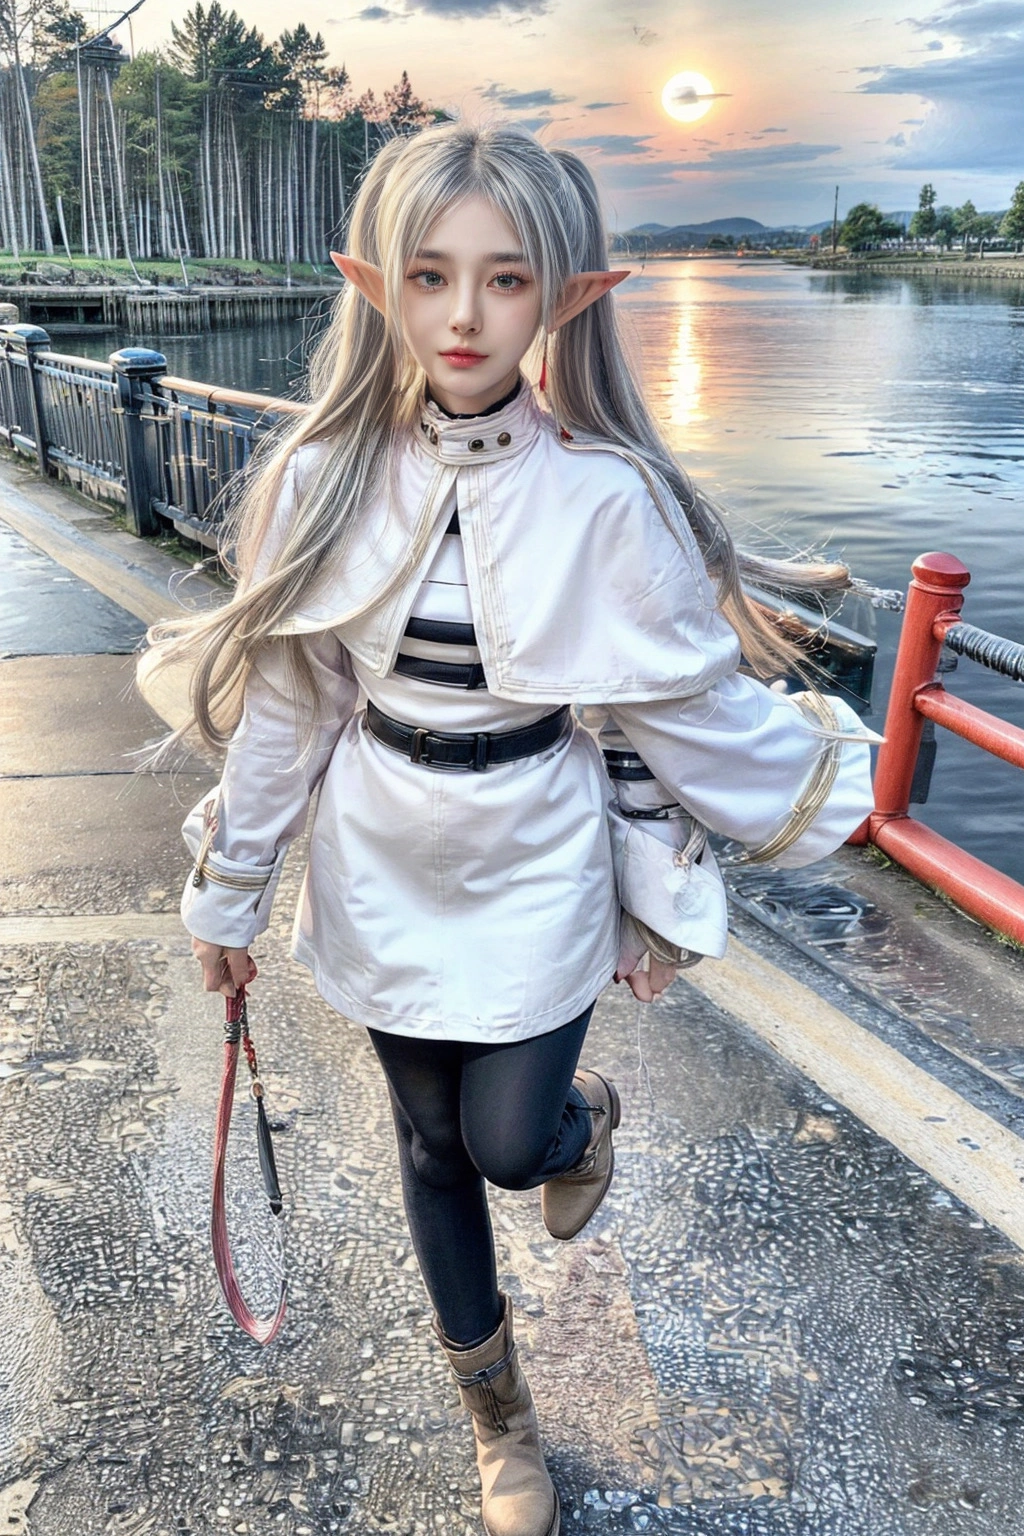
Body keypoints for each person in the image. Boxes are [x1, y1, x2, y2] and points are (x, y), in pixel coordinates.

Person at [139, 122, 875, 1536]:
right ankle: (502, 1421)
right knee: (431, 1146)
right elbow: (291, 713)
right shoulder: (319, 477)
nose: (465, 316)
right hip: (379, 850)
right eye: (429, 276)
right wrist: (227, 899)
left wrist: (675, 889)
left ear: (567, 297)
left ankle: (572, 1124)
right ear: (375, 285)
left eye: (506, 279)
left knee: (502, 1136)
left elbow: (658, 714)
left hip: (539, 845)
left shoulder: (608, 495)